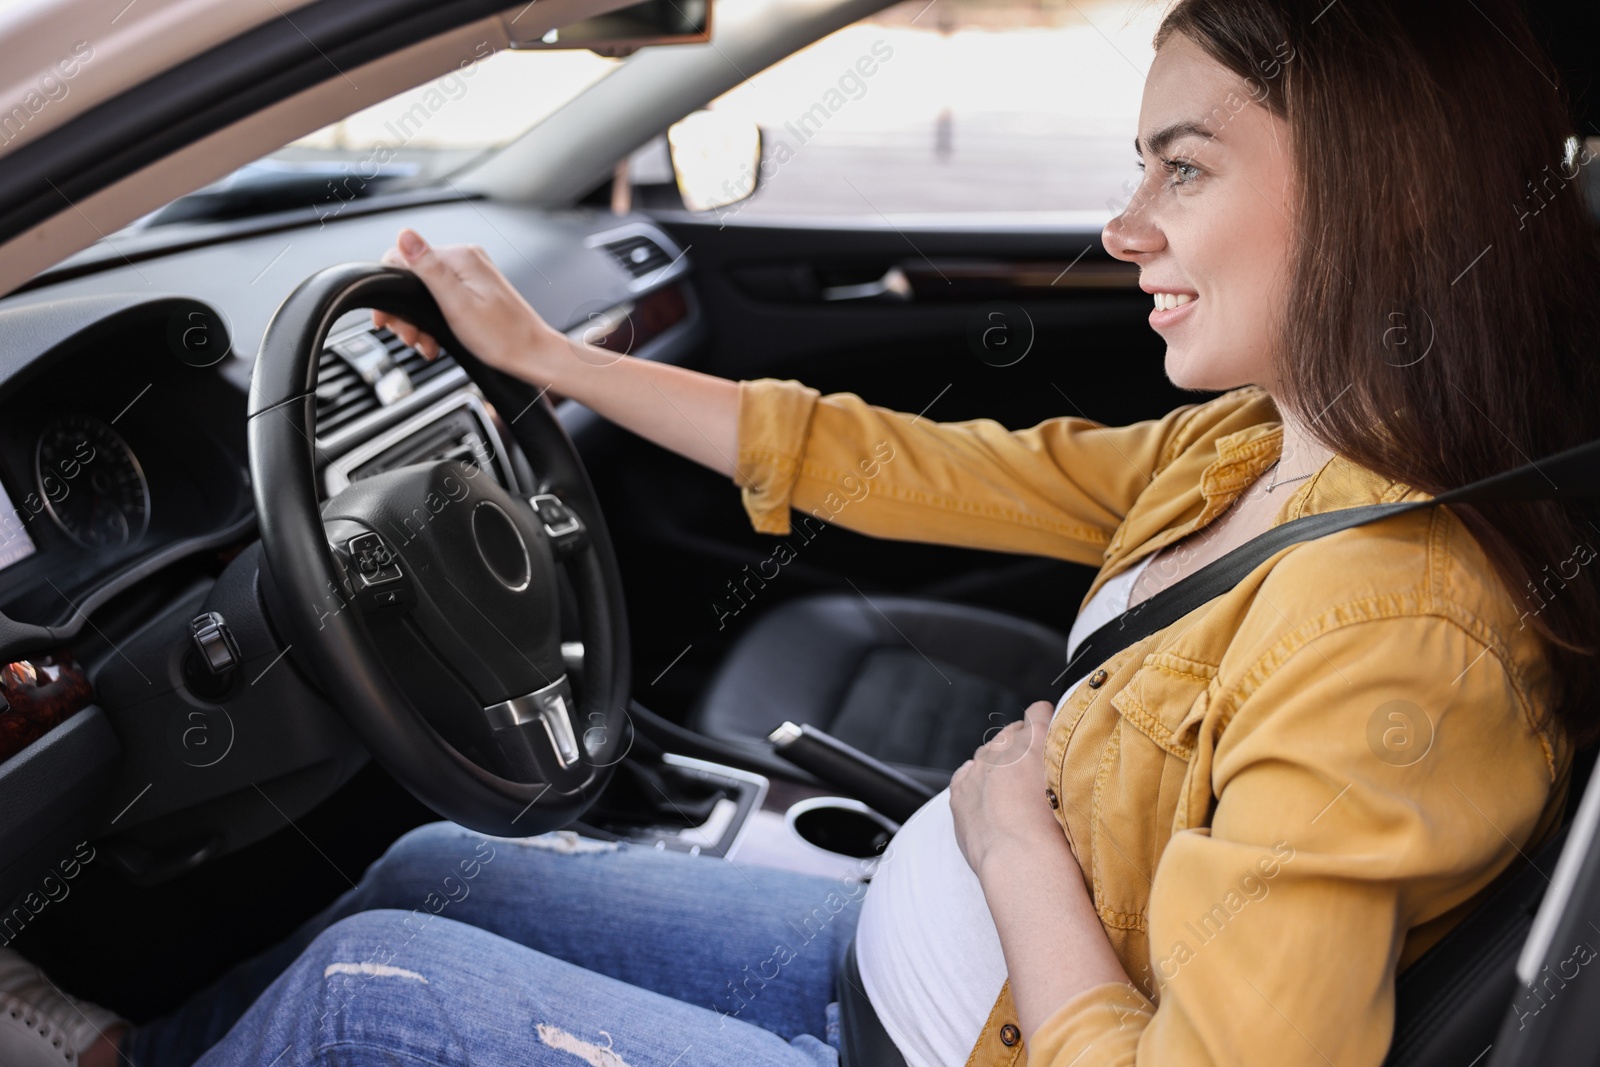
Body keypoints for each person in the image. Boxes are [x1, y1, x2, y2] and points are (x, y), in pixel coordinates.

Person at [5, 0, 1600, 1063]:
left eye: (1186, 166)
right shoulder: (1248, 449)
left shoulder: (1396, 635)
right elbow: (896, 462)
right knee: (436, 862)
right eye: (1139, 165)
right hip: (910, 961)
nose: (1124, 228)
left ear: (1381, 203)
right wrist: (559, 363)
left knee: (368, 1000)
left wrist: (1016, 849)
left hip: (948, 1032)